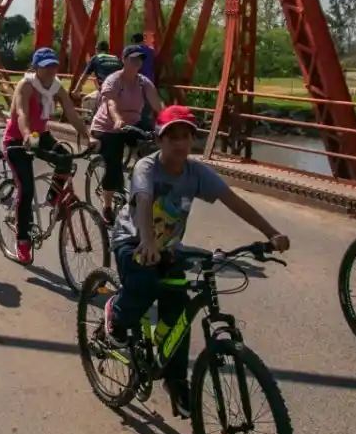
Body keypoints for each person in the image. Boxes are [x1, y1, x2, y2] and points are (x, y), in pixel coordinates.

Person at [105, 105, 290, 415]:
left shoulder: (196, 172)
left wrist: (271, 234)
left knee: (179, 311)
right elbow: (143, 202)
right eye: (171, 136)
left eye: (185, 136)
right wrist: (147, 240)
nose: (179, 143)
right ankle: (116, 313)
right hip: (134, 239)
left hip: (168, 248)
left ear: (193, 139)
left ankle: (175, 382)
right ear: (159, 140)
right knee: (146, 283)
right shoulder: (147, 168)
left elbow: (234, 202)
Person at [2, 47, 96, 264]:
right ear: (36, 68)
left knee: (66, 159)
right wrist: (26, 136)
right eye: (46, 67)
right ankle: (22, 240)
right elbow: (22, 113)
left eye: (54, 65)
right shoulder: (26, 85)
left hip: (40, 134)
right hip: (17, 139)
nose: (52, 70)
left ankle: (53, 198)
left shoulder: (56, 87)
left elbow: (71, 113)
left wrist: (87, 136)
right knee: (25, 189)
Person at [90, 45, 164, 224]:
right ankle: (107, 205)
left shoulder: (142, 82)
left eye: (140, 59)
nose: (137, 62)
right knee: (113, 164)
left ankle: (143, 181)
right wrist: (117, 120)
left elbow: (157, 103)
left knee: (152, 147)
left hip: (133, 122)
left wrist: (170, 120)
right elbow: (111, 104)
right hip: (108, 126)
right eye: (133, 58)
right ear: (124, 60)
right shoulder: (114, 80)